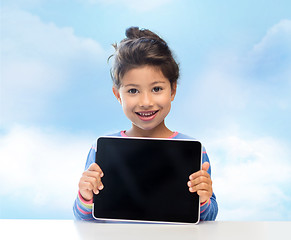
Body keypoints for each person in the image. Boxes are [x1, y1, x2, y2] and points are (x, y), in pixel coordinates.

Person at [73, 27, 218, 221]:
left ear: (173, 90)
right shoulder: (102, 149)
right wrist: (85, 196)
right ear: (118, 95)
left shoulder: (194, 151)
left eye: (157, 88)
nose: (146, 102)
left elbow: (209, 217)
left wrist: (203, 199)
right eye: (133, 91)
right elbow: (83, 218)